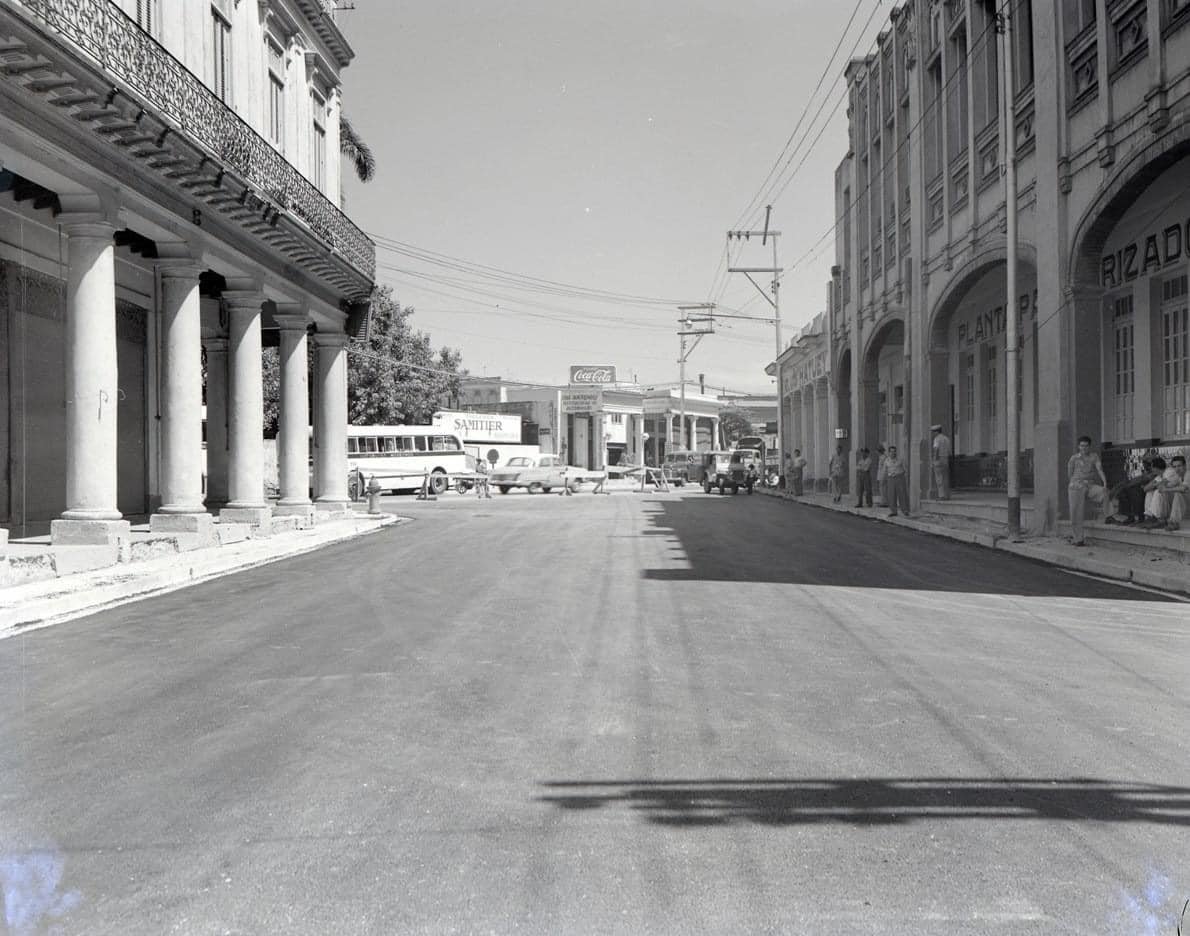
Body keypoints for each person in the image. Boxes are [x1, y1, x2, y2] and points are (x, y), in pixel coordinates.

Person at [1067, 435, 1107, 546]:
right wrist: (1076, 483)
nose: (1084, 448)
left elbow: (1099, 469)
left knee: (1104, 492)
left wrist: (1105, 482)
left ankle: (1107, 517)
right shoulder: (1074, 458)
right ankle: (1078, 539)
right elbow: (1069, 474)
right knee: (1076, 513)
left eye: (1086, 446)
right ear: (1078, 447)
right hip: (1076, 487)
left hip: (1089, 485)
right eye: (1082, 446)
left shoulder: (1094, 456)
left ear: (1089, 447)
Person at [1106, 457, 1161, 525]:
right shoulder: (1146, 473)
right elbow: (1138, 480)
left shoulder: (1154, 474)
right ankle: (1130, 516)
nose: (1145, 465)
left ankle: (1138, 518)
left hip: (1148, 491)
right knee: (1126, 490)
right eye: (1144, 463)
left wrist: (1127, 484)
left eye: (1147, 464)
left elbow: (1143, 481)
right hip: (1142, 488)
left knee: (1132, 490)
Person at [1143, 454, 1188, 531]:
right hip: (1179, 504)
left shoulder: (1173, 472)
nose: (1176, 469)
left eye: (1179, 466)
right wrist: (1159, 485)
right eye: (1175, 467)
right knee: (1151, 492)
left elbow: (1183, 488)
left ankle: (1169, 521)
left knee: (1174, 493)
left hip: (1185, 504)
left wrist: (1162, 487)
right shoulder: (1174, 476)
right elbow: (1146, 489)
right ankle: (1151, 517)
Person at [884, 444, 910, 517]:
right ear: (889, 452)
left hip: (899, 478)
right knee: (891, 495)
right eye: (891, 452)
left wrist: (902, 475)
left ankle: (905, 510)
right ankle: (893, 511)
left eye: (894, 451)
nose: (893, 453)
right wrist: (886, 479)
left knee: (902, 494)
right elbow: (885, 470)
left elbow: (905, 469)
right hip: (891, 479)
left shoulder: (900, 459)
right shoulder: (886, 461)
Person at [930, 424, 951, 500]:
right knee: (945, 477)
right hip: (945, 458)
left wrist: (934, 460)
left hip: (938, 459)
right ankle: (947, 495)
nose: (932, 434)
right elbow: (949, 451)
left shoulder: (936, 439)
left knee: (939, 478)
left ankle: (941, 495)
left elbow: (936, 449)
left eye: (933, 432)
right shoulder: (946, 438)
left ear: (936, 432)